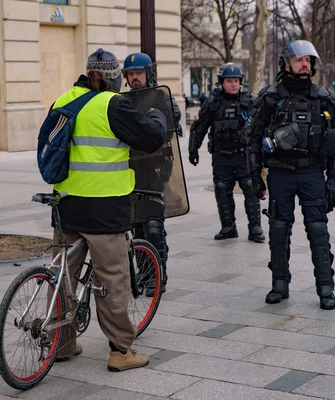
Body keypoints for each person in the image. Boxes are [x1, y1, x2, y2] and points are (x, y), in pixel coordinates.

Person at [48, 48, 167, 371]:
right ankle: (120, 351)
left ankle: (61, 344)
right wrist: (157, 115)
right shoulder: (113, 104)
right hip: (104, 209)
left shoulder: (63, 101)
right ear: (115, 77)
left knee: (64, 275)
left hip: (66, 204)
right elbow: (151, 138)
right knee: (113, 278)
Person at [247, 40, 335, 310]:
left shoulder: (323, 98)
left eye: (308, 60)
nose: (305, 64)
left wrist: (333, 179)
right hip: (281, 174)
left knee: (318, 230)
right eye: (300, 59)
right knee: (278, 230)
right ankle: (280, 284)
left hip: (313, 173)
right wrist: (255, 176)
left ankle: (326, 288)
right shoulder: (270, 97)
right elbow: (253, 139)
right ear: (286, 63)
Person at [122, 52, 182, 295]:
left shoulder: (162, 97)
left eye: (139, 73)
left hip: (156, 170)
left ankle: (159, 276)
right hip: (131, 170)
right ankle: (145, 275)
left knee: (154, 227)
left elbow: (171, 126)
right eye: (131, 74)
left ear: (149, 74)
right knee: (136, 228)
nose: (135, 78)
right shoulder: (122, 101)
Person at [188, 63, 265, 243]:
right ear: (222, 82)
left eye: (236, 81)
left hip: (243, 155)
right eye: (229, 81)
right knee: (222, 188)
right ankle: (228, 227)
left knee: (249, 186)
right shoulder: (213, 103)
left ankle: (255, 228)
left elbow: (261, 126)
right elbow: (200, 126)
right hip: (221, 155)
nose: (233, 84)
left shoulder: (250, 102)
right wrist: (193, 148)